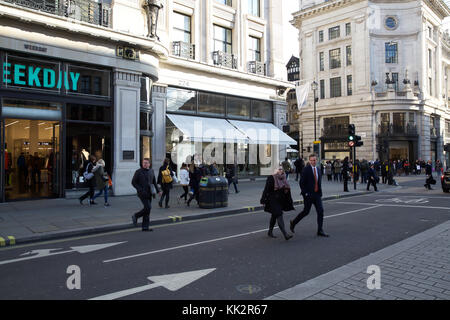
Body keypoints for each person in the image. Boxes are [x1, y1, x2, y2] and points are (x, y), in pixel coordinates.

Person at [290, 154, 329, 237]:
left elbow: (318, 182)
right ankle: (293, 222)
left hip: (317, 194)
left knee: (320, 211)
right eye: (311, 160)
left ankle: (320, 230)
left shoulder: (318, 169)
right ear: (309, 161)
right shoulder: (306, 170)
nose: (313, 162)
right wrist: (306, 193)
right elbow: (302, 183)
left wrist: (319, 192)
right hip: (309, 195)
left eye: (314, 160)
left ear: (317, 160)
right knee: (306, 212)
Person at [260, 167, 294, 240]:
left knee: (274, 215)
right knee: (279, 214)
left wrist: (286, 190)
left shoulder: (284, 177)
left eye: (281, 169)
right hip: (273, 199)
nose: (280, 170)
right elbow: (266, 189)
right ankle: (285, 234)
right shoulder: (271, 178)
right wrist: (263, 199)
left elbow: (286, 188)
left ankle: (270, 231)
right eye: (279, 169)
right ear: (275, 170)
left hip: (280, 199)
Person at [132, 158, 161, 231]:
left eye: (146, 163)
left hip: (150, 192)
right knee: (148, 207)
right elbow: (133, 182)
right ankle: (136, 215)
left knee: (147, 210)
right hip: (142, 193)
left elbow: (154, 181)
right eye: (144, 163)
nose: (145, 164)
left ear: (149, 164)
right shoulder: (138, 172)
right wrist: (140, 189)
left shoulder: (151, 171)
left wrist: (158, 191)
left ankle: (145, 227)